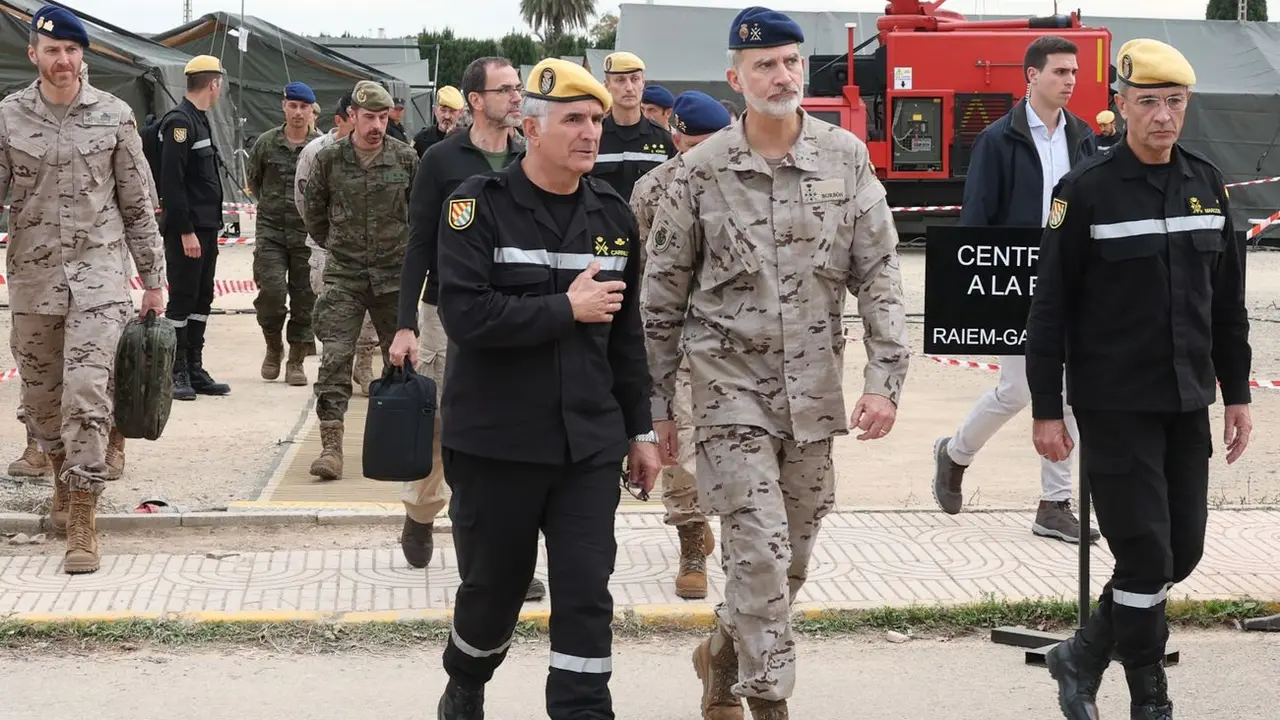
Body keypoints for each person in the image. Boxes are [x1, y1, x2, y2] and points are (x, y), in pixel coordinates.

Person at [642, 8, 910, 718]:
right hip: (728, 394)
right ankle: (770, 702)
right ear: (736, 79)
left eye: (791, 61)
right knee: (757, 554)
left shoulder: (845, 158)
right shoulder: (696, 175)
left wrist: (885, 382)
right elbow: (661, 301)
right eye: (765, 65)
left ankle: (723, 652)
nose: (782, 75)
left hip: (813, 396)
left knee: (788, 562)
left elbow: (880, 272)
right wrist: (656, 410)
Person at [1028, 38, 1252, 720]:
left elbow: (1228, 304)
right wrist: (1046, 408)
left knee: (1178, 554)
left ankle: (1083, 653)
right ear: (1120, 105)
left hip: (1186, 400)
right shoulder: (1086, 192)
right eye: (1147, 101)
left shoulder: (1206, 183)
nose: (1162, 115)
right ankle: (1149, 698)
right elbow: (1050, 309)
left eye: (1174, 102)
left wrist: (1236, 393)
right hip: (1114, 405)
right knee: (1146, 554)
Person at [432, 57, 661, 720]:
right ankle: (466, 681)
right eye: (574, 119)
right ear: (532, 128)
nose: (591, 132)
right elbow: (466, 316)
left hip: (586, 443)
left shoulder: (613, 216)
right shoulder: (477, 208)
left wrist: (640, 430)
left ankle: (583, 710)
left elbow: (625, 337)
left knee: (587, 592)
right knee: (494, 592)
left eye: (595, 119)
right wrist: (565, 308)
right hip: (497, 442)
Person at [0, 5, 165, 574]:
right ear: (34, 55)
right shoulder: (9, 117)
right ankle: (58, 481)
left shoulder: (114, 115)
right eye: (52, 51)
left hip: (99, 280)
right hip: (32, 282)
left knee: (89, 393)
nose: (63, 61)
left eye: (71, 50)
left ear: (82, 55)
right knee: (42, 402)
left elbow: (138, 204)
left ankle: (83, 519)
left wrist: (155, 281)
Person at [931, 35, 1100, 544]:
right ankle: (955, 453)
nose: (1069, 81)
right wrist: (972, 291)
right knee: (1018, 389)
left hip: (1070, 277)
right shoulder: (997, 139)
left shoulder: (1083, 137)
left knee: (1067, 391)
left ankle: (1055, 503)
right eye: (1059, 72)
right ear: (1031, 75)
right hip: (1012, 279)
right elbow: (978, 216)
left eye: (1073, 72)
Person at [388, 56, 546, 602]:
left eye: (518, 89)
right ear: (475, 100)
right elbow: (418, 244)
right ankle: (421, 509)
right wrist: (404, 324)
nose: (516, 98)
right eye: (504, 90)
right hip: (447, 316)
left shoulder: (531, 155)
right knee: (443, 428)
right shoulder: (439, 159)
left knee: (510, 435)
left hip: (514, 316)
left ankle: (506, 560)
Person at [629, 90, 732, 600]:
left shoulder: (750, 181)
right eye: (700, 143)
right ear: (677, 139)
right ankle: (692, 540)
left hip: (739, 342)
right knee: (677, 440)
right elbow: (641, 272)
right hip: (675, 338)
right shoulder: (650, 192)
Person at [301, 80, 418, 480]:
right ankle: (331, 447)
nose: (377, 126)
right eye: (369, 117)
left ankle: (401, 441)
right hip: (345, 277)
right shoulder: (330, 159)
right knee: (334, 359)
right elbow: (313, 213)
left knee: (400, 361)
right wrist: (339, 245)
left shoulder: (405, 159)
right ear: (352, 116)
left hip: (392, 279)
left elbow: (418, 217)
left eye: (383, 118)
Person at [295, 92, 381, 395]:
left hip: (370, 249)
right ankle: (335, 373)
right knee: (334, 313)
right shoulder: (317, 152)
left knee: (371, 310)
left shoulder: (379, 152)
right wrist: (327, 240)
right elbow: (304, 201)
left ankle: (365, 364)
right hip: (328, 248)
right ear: (343, 120)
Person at [158, 54, 231, 401]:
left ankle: (195, 367)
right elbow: (171, 182)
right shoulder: (179, 122)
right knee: (182, 299)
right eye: (219, 83)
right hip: (188, 229)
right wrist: (185, 230)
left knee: (203, 296)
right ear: (213, 83)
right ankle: (177, 371)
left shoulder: (200, 120)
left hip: (206, 226)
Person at [247, 81, 321, 387]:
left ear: (311, 110)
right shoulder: (266, 144)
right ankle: (273, 345)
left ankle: (296, 360)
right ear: (284, 106)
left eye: (304, 107)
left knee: (305, 301)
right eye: (293, 106)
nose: (298, 113)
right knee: (272, 294)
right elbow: (255, 184)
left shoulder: (321, 148)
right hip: (272, 233)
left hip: (307, 235)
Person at [591, 51, 676, 200]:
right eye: (620, 80)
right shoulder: (593, 138)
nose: (629, 87)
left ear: (643, 84)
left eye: (635, 79)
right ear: (607, 86)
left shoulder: (664, 140)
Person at [412, 85, 464, 158]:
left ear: (461, 113)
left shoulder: (467, 140)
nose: (447, 116)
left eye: (452, 111)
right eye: (443, 110)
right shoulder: (421, 140)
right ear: (435, 110)